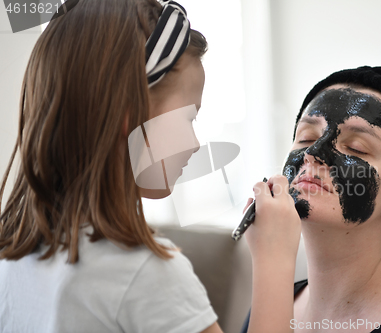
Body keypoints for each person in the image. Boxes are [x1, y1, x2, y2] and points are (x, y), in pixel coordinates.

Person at [0, 0, 301, 332]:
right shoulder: (142, 274)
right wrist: (275, 257)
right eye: (190, 116)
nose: (195, 143)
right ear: (130, 114)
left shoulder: (15, 258)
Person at [241, 66, 381, 332]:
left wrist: (273, 264)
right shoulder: (274, 306)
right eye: (306, 137)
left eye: (356, 147)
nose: (314, 152)